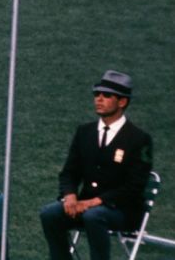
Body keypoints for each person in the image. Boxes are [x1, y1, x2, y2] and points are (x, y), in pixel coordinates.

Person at [39, 70, 153, 260]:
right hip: (85, 205)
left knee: (94, 216)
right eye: (97, 94)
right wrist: (69, 196)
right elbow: (69, 172)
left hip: (122, 210)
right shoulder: (85, 132)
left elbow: (134, 186)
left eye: (107, 95)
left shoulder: (139, 139)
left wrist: (93, 203)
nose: (99, 99)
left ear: (122, 102)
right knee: (49, 213)